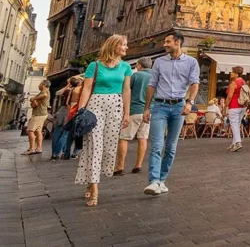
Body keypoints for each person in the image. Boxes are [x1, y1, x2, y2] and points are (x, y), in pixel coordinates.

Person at [74, 35, 132, 207]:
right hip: (96, 105)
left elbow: (126, 90)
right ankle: (95, 190)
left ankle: (90, 181)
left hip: (116, 106)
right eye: (123, 45)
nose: (125, 48)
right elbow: (86, 89)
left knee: (108, 149)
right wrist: (81, 110)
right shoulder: (95, 65)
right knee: (94, 146)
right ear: (113, 46)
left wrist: (126, 113)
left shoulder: (126, 67)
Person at [142, 30, 200, 197]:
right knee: (156, 145)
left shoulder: (191, 62)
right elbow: (152, 85)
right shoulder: (159, 62)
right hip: (160, 106)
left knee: (171, 147)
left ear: (177, 42)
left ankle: (162, 180)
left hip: (179, 107)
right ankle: (153, 181)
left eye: (168, 41)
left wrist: (190, 102)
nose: (165, 44)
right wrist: (147, 108)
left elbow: (194, 83)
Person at [114, 57, 153, 174]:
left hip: (134, 110)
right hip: (148, 112)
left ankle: (120, 166)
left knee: (124, 138)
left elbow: (125, 90)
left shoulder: (135, 76)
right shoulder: (155, 77)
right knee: (143, 138)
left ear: (140, 65)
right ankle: (138, 164)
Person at [23, 80, 50, 156]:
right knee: (38, 131)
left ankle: (32, 149)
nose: (38, 86)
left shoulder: (44, 91)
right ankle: (39, 148)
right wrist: (34, 101)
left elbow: (44, 95)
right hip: (42, 113)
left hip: (38, 114)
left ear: (43, 85)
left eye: (40, 84)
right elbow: (35, 104)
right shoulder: (45, 92)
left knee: (30, 130)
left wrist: (34, 98)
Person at [224, 65, 247, 152]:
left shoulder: (233, 83)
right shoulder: (244, 82)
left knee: (234, 125)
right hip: (243, 106)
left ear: (236, 74)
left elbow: (229, 97)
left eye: (233, 72)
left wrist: (225, 106)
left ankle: (238, 142)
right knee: (237, 124)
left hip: (234, 106)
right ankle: (234, 144)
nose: (231, 73)